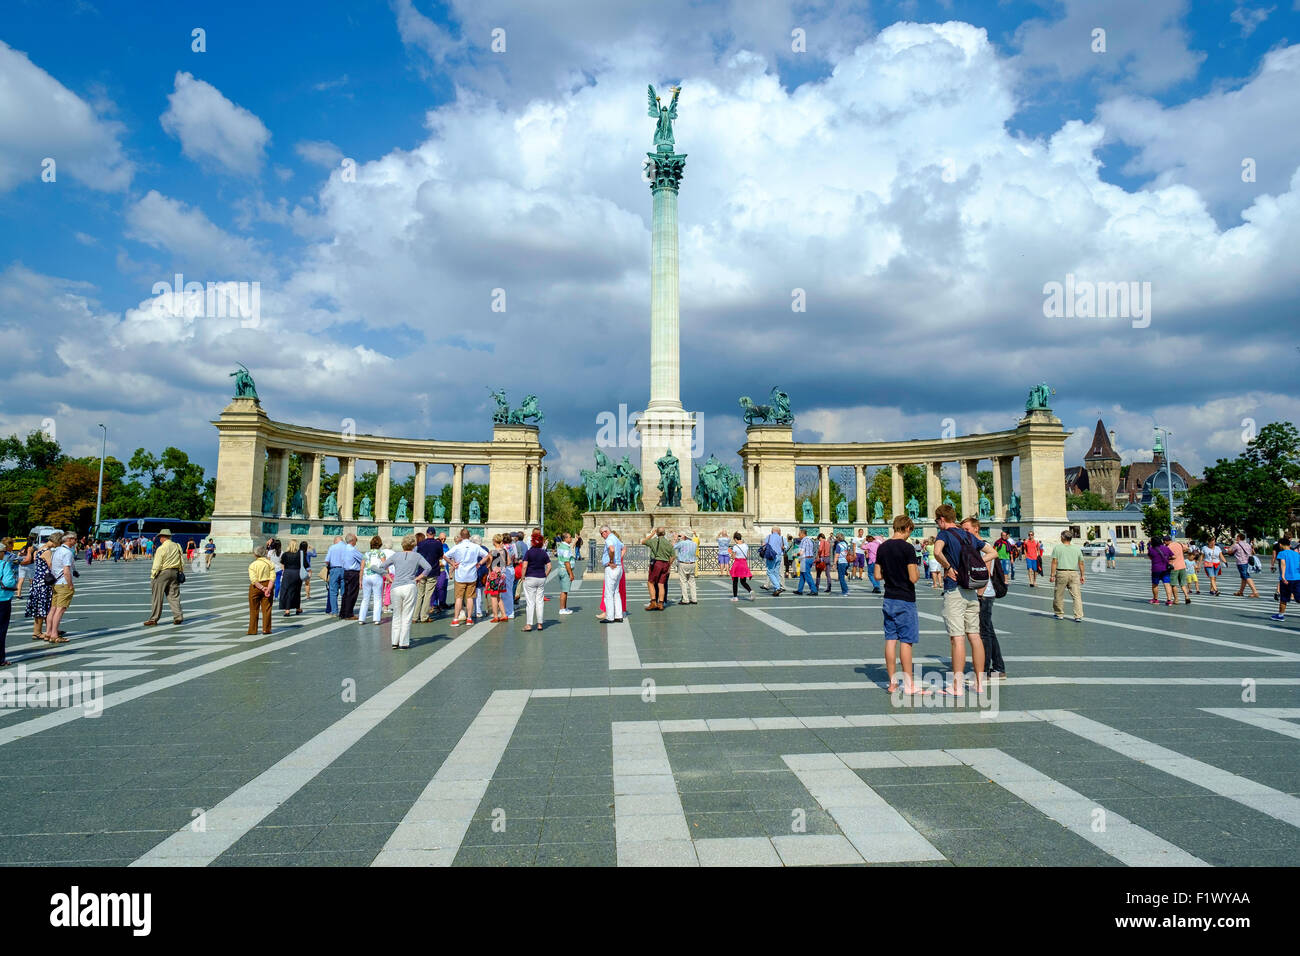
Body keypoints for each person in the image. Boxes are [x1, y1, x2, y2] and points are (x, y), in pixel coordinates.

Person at [932, 504, 992, 695]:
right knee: (974, 636)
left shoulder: (944, 534)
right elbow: (993, 552)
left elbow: (936, 552)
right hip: (972, 590)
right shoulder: (968, 535)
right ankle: (979, 683)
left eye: (937, 521)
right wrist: (974, 566)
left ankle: (957, 686)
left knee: (957, 638)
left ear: (942, 519)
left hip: (955, 590)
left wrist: (948, 567)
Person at [875, 515, 928, 695]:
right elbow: (913, 577)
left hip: (888, 598)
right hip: (905, 598)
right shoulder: (908, 548)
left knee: (890, 639)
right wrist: (916, 573)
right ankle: (909, 684)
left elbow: (877, 575)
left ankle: (892, 683)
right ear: (907, 528)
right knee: (906, 641)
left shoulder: (882, 547)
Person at [963, 516, 1007, 678]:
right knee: (989, 630)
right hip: (982, 593)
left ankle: (985, 668)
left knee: (984, 632)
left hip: (984, 594)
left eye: (967, 529)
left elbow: (985, 574)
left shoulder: (984, 547)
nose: (964, 532)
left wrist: (979, 597)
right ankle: (999, 667)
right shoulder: (974, 545)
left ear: (976, 528)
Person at [379, 535, 433, 648]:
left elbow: (381, 567)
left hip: (396, 586)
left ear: (403, 544)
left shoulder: (396, 555)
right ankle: (403, 642)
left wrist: (388, 577)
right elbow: (428, 567)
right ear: (413, 545)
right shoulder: (417, 556)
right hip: (409, 585)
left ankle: (394, 641)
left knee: (397, 614)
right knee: (407, 615)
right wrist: (418, 578)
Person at [446, 529, 488, 627]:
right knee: (470, 597)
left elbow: (445, 556)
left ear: (461, 536)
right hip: (472, 575)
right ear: (469, 536)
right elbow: (486, 555)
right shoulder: (476, 547)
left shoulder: (457, 547)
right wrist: (479, 563)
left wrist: (452, 563)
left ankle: (456, 619)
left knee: (459, 597)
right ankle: (469, 618)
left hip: (460, 575)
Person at [144, 528, 185, 626]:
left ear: (163, 537)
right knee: (174, 596)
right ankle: (178, 616)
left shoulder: (161, 548)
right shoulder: (177, 546)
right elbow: (181, 560)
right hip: (175, 572)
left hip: (163, 573)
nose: (159, 539)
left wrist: (153, 575)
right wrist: (180, 571)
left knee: (157, 597)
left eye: (160, 537)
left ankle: (154, 619)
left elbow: (157, 564)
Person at [44, 532, 76, 644]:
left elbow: (52, 566)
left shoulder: (56, 550)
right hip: (63, 583)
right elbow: (66, 570)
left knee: (53, 608)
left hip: (56, 583)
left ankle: (48, 632)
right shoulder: (67, 552)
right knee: (60, 609)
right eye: (75, 539)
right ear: (69, 539)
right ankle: (54, 634)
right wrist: (70, 584)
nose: (75, 541)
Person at [21, 540, 53, 642]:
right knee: (42, 607)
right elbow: (51, 566)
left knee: (41, 607)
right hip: (44, 583)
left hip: (38, 581)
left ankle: (43, 631)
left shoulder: (39, 550)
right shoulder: (47, 551)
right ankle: (38, 632)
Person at [1049, 530, 1085, 621]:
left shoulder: (1058, 548)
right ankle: (1078, 615)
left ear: (1063, 538)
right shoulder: (1077, 548)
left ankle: (1059, 613)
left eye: (1061, 536)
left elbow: (1054, 562)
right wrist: (1082, 575)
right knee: (1076, 596)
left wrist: (1052, 575)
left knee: (1059, 594)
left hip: (1062, 573)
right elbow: (1081, 563)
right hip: (1074, 573)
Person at [521, 531, 551, 631]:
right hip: (541, 578)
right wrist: (545, 575)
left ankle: (529, 625)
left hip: (530, 577)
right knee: (540, 601)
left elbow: (524, 565)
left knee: (530, 602)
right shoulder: (543, 553)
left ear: (532, 542)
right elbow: (549, 566)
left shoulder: (529, 552)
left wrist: (522, 576)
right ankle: (540, 624)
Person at [359, 535, 390, 625]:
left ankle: (361, 618)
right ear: (380, 544)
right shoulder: (381, 553)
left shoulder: (366, 553)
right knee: (377, 598)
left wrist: (360, 580)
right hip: (376, 576)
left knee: (365, 598)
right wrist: (387, 576)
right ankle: (376, 619)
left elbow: (361, 568)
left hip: (366, 576)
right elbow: (385, 565)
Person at [415, 527, 444, 622]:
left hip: (421, 571)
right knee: (428, 595)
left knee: (420, 594)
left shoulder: (421, 544)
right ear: (434, 534)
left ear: (427, 534)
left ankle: (415, 616)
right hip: (433, 570)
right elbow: (440, 555)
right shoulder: (438, 544)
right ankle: (424, 616)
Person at [642, 527, 674, 611]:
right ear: (664, 533)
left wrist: (652, 534)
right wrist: (669, 564)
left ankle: (653, 602)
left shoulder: (654, 541)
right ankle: (661, 603)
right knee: (661, 584)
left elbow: (643, 541)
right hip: (665, 564)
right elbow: (673, 556)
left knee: (650, 582)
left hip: (657, 563)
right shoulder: (668, 543)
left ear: (657, 533)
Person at [247, 546, 276, 635]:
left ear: (255, 554)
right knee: (267, 609)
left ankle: (252, 630)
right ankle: (266, 629)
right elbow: (272, 578)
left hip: (256, 587)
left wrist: (262, 588)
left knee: (253, 609)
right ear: (265, 553)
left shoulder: (252, 565)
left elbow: (254, 580)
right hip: (268, 584)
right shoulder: (270, 563)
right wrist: (268, 589)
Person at [599, 526, 625, 622]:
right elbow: (624, 548)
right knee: (616, 592)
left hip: (611, 568)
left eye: (602, 534)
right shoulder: (616, 538)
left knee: (609, 593)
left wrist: (611, 561)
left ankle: (610, 617)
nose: (602, 536)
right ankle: (619, 615)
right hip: (618, 567)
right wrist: (618, 560)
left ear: (605, 532)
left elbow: (612, 549)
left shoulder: (609, 539)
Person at [1270, 538, 1299, 622]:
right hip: (1297, 578)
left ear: (1280, 545)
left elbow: (1283, 564)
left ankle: (1280, 615)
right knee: (1298, 597)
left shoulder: (1282, 553)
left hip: (1286, 579)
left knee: (1284, 598)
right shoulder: (1296, 554)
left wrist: (1282, 576)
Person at [0, 537, 17, 667]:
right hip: (3, 598)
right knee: (1, 629)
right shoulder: (4, 564)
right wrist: (14, 585)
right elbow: (8, 582)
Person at [485, 535, 511, 623]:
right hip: (503, 575)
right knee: (498, 596)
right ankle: (504, 615)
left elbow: (488, 565)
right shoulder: (504, 550)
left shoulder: (493, 552)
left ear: (494, 541)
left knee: (493, 596)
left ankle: (496, 616)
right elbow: (509, 562)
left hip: (495, 575)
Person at [1228, 534, 1261, 598]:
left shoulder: (1237, 545)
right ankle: (1241, 592)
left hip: (1241, 563)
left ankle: (1255, 592)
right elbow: (1251, 552)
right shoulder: (1247, 544)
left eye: (1236, 537)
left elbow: (1229, 551)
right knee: (1243, 577)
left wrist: (1233, 544)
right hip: (1247, 562)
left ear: (1238, 538)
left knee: (1246, 576)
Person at [1147, 535, 1176, 606]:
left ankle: (1155, 599)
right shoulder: (1166, 548)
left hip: (1156, 569)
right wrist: (1167, 558)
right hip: (1165, 568)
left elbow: (1150, 557)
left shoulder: (1151, 549)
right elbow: (1174, 556)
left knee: (1155, 584)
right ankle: (1169, 600)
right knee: (1167, 584)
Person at [673, 531, 698, 604]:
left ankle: (685, 599)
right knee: (692, 581)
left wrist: (675, 538)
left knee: (683, 582)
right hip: (692, 563)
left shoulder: (682, 543)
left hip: (683, 563)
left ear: (686, 536)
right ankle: (694, 599)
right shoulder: (694, 544)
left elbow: (673, 546)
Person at [1166, 535, 1191, 604]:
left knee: (1173, 584)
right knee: (1183, 584)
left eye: (1164, 542)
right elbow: (1187, 548)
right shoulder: (1179, 544)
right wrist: (1182, 552)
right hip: (1182, 566)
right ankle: (1187, 596)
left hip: (1174, 567)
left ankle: (1176, 599)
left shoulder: (1168, 547)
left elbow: (1167, 556)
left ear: (1166, 541)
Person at [729, 531, 754, 601]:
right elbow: (747, 555)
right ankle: (750, 591)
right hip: (744, 563)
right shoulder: (746, 545)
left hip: (737, 564)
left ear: (736, 539)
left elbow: (733, 557)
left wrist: (731, 553)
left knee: (735, 581)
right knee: (743, 581)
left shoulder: (735, 547)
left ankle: (735, 597)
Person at [324, 535, 345, 614]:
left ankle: (334, 611)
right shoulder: (346, 547)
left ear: (335, 541)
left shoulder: (332, 547)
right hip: (344, 570)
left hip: (334, 570)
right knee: (344, 592)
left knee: (333, 591)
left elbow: (327, 561)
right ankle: (344, 610)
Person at [556, 532, 575, 615]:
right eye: (570, 537)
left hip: (560, 569)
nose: (571, 539)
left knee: (565, 590)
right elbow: (566, 562)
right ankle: (562, 608)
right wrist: (571, 573)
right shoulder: (566, 548)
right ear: (565, 538)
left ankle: (564, 607)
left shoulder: (561, 546)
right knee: (564, 591)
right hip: (565, 570)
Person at [761, 526, 784, 594]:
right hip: (779, 556)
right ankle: (777, 588)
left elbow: (764, 545)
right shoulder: (781, 538)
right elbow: (782, 546)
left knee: (770, 572)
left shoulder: (769, 537)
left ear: (772, 531)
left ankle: (777, 587)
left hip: (772, 556)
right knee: (776, 572)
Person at [794, 530, 818, 595]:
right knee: (802, 575)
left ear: (802, 534)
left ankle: (814, 590)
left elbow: (802, 552)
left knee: (807, 575)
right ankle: (800, 590)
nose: (799, 536)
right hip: (810, 558)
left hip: (805, 559)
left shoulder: (803, 541)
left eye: (799, 534)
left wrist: (796, 554)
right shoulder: (810, 540)